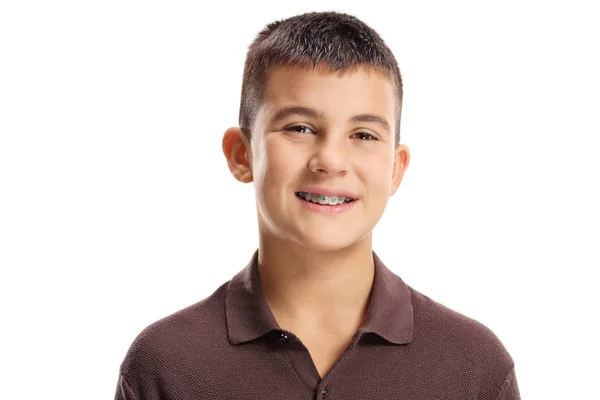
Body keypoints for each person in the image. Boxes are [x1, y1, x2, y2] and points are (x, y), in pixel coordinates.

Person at [114, 11, 520, 400]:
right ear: (242, 154)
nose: (330, 160)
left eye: (363, 135)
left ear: (395, 170)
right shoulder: (165, 365)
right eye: (300, 128)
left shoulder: (474, 366)